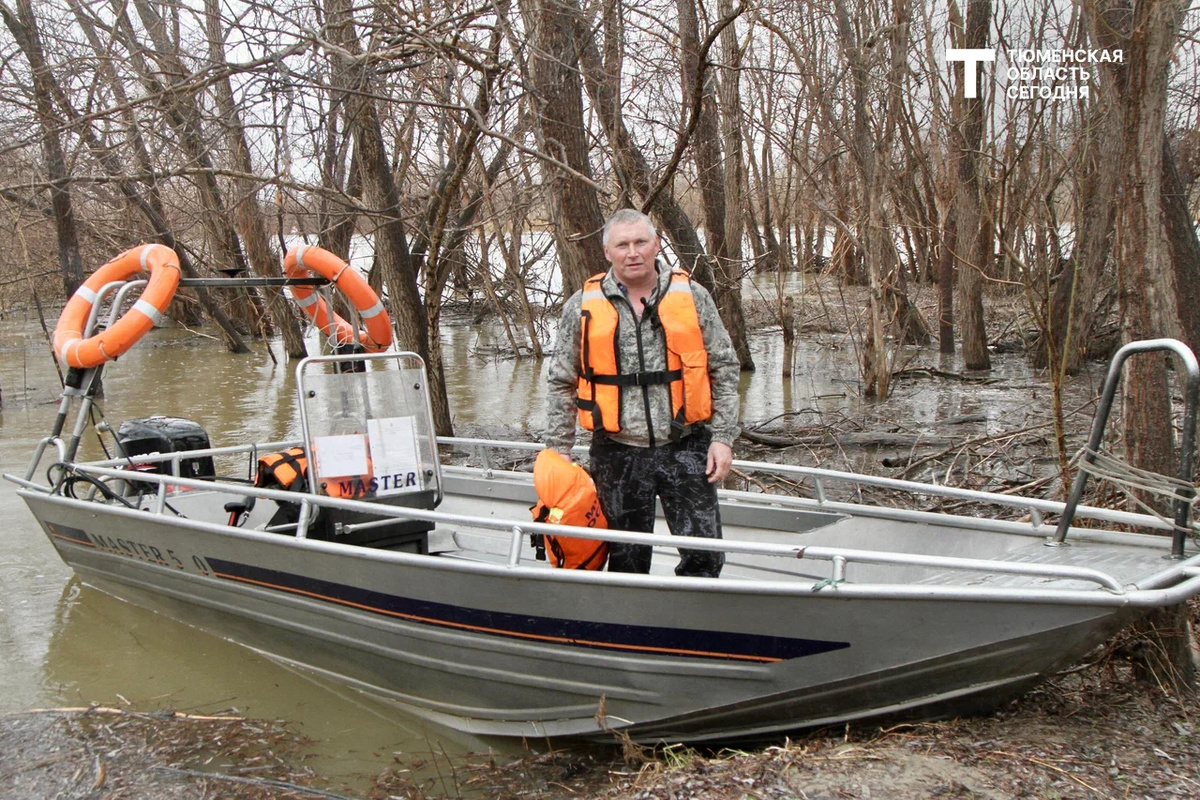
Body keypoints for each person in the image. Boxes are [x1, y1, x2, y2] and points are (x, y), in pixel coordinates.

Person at [544, 209, 741, 577]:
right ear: (607, 252)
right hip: (616, 452)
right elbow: (561, 381)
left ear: (657, 245)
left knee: (706, 556)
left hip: (686, 447)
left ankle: (692, 623)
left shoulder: (693, 296)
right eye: (622, 244)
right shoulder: (581, 306)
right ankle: (631, 626)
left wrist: (724, 438)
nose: (632, 252)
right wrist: (559, 452)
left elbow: (724, 368)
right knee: (626, 560)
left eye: (640, 242)